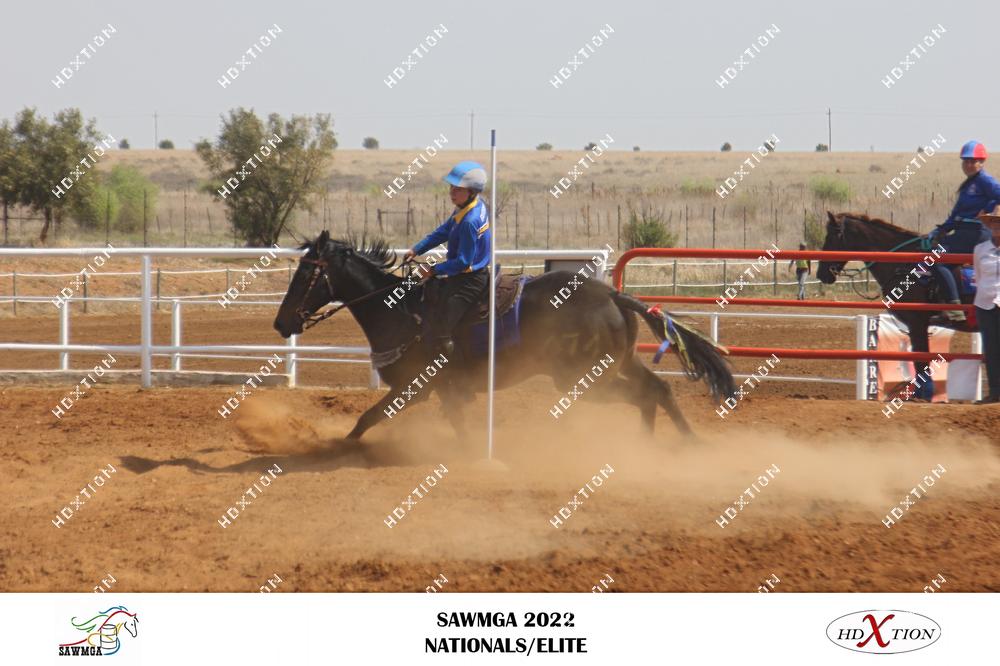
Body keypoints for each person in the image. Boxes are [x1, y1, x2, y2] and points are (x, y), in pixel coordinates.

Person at [404, 161, 492, 362]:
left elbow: (463, 262)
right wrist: (418, 248)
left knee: (441, 325)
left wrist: (433, 269)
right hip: (465, 274)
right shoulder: (468, 207)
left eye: (458, 189)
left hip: (470, 280)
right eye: (451, 187)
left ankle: (451, 365)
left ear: (471, 192)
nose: (452, 192)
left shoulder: (469, 221)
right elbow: (444, 231)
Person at [928, 141, 1000, 323]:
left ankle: (954, 309)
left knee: (936, 260)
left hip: (975, 233)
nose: (968, 164)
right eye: (965, 161)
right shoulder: (970, 184)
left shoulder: (984, 180)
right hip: (963, 232)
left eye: (972, 161)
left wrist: (988, 209)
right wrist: (942, 229)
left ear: (981, 162)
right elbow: (956, 214)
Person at [972, 213, 1000, 403]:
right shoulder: (980, 249)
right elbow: (978, 276)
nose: (996, 225)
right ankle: (995, 391)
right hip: (985, 303)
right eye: (993, 222)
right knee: (991, 349)